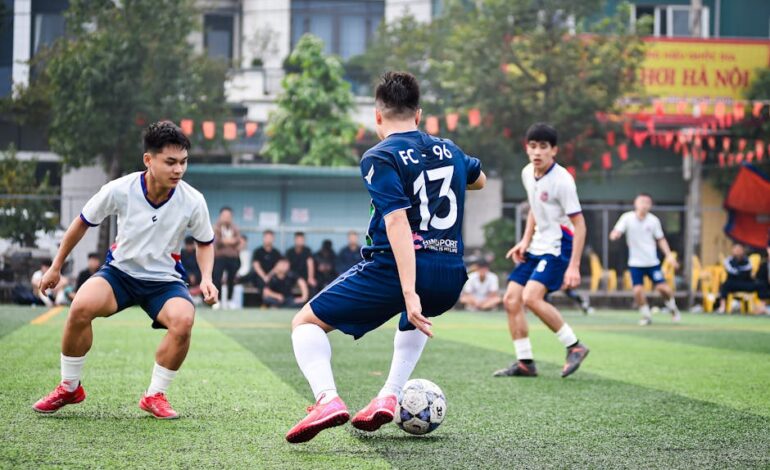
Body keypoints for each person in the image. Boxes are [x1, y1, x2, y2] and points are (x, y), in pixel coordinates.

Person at [284, 71, 485, 443]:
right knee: (416, 318)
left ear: (377, 116)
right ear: (419, 114)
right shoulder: (451, 150)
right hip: (451, 275)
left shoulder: (381, 156)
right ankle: (389, 395)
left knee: (305, 323)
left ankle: (327, 399)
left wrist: (408, 290)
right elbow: (479, 179)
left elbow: (396, 224)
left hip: (395, 271)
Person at [32, 121, 217, 419]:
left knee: (183, 321)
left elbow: (205, 242)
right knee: (80, 306)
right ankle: (69, 387)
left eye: (183, 162)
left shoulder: (193, 200)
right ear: (149, 160)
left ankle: (155, 394)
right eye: (170, 162)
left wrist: (207, 278)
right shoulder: (119, 189)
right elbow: (81, 222)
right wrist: (55, 267)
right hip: (119, 274)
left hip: (164, 282)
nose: (178, 170)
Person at [493, 123, 589, 379]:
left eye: (543, 147)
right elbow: (535, 209)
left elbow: (580, 225)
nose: (537, 152)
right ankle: (525, 362)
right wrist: (525, 241)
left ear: (554, 150)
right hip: (537, 245)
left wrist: (574, 265)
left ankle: (574, 346)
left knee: (531, 297)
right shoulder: (528, 173)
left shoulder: (563, 181)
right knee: (511, 300)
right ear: (527, 148)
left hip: (559, 247)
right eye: (532, 146)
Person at [610, 193, 681, 325]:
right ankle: (646, 315)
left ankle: (673, 308)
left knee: (663, 289)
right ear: (636, 204)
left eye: (647, 202)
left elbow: (661, 239)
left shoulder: (653, 220)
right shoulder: (627, 218)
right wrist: (615, 234)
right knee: (637, 291)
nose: (644, 205)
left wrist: (669, 256)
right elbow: (617, 230)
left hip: (652, 262)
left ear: (650, 205)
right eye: (642, 202)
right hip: (635, 263)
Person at [213, 207, 241, 309]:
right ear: (220, 216)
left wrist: (226, 241)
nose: (226, 218)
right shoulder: (216, 227)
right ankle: (217, 301)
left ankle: (230, 300)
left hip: (233, 257)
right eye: (224, 216)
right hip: (219, 257)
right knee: (217, 278)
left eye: (228, 216)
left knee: (231, 279)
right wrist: (230, 241)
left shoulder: (235, 228)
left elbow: (238, 240)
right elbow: (218, 241)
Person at [717, 243, 758, 313]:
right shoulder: (728, 260)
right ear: (733, 251)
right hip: (733, 283)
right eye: (736, 249)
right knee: (724, 285)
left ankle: (761, 307)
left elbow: (748, 270)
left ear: (742, 251)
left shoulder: (747, 260)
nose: (738, 251)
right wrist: (739, 271)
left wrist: (739, 271)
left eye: (739, 249)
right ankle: (722, 306)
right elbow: (731, 271)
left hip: (745, 283)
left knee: (760, 284)